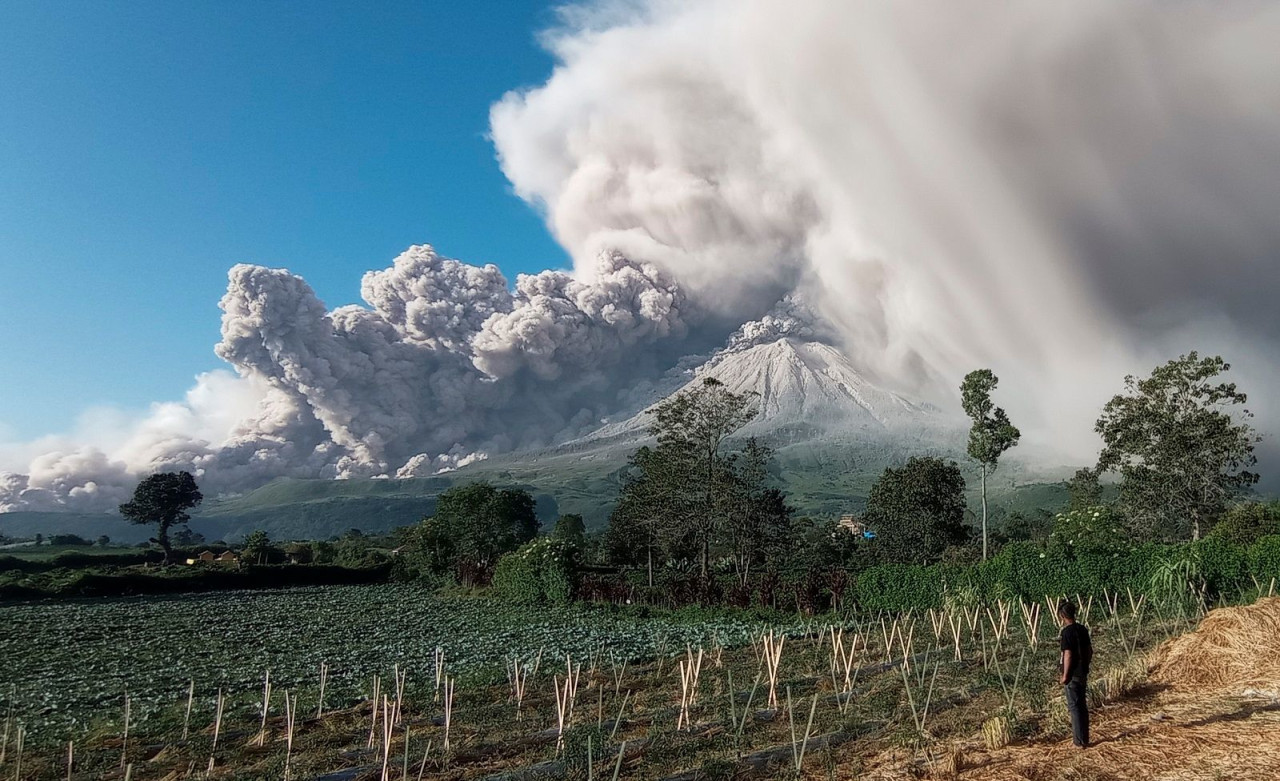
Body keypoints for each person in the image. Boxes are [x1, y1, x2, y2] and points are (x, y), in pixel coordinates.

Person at [1057, 599, 1092, 748]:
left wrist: (1065, 675)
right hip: (1082, 671)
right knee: (1082, 706)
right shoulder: (1082, 629)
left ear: (1061, 615)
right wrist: (1085, 665)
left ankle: (1078, 741)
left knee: (1074, 707)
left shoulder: (1067, 633)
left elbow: (1068, 654)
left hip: (1073, 675)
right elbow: (1090, 650)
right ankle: (1085, 738)